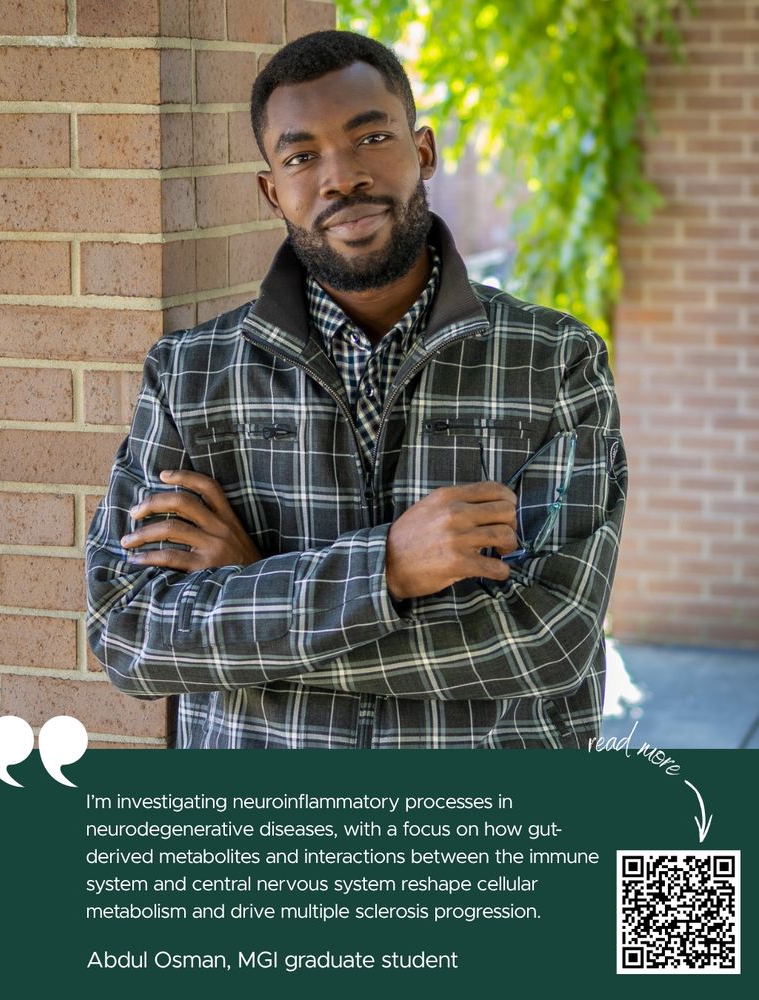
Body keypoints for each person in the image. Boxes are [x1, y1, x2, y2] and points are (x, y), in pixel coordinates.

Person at [86, 30, 627, 749]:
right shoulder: (190, 376)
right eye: (302, 156)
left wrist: (261, 590)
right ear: (271, 190)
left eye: (370, 137)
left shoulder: (554, 360)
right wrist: (389, 567)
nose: (341, 177)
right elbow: (129, 632)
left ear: (424, 151)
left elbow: (550, 638)